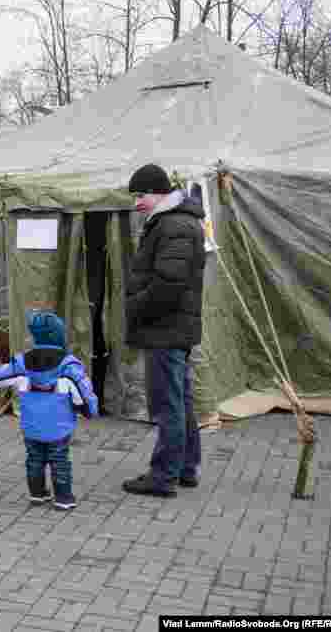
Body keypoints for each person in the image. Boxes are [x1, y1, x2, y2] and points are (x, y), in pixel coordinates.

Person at [122, 163, 206, 497]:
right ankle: (186, 468)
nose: (137, 202)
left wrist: (136, 306)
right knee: (180, 401)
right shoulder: (175, 221)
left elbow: (169, 284)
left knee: (167, 404)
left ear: (158, 193)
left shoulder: (175, 225)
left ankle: (162, 476)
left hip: (165, 329)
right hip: (173, 328)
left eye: (140, 195)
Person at [0, 311, 98, 510]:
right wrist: (89, 410)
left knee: (34, 459)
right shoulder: (68, 365)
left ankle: (37, 495)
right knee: (59, 460)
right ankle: (63, 499)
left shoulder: (22, 363)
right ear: (58, 334)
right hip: (59, 428)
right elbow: (84, 393)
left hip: (31, 427)